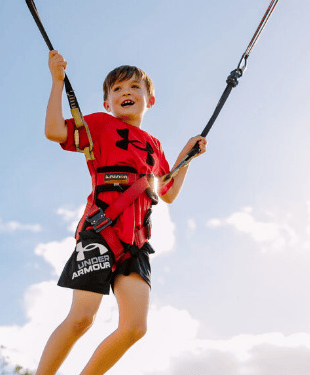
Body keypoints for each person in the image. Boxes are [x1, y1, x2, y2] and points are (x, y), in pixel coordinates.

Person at [36, 50, 207, 375]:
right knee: (82, 318)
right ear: (107, 103)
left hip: (136, 243)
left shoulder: (153, 146)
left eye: (133, 87)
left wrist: (187, 156)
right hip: (101, 232)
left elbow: (167, 192)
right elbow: (55, 130)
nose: (125, 93)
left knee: (135, 327)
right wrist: (57, 82)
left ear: (149, 99)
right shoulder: (100, 125)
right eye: (117, 90)